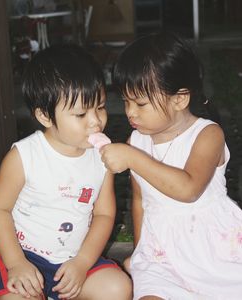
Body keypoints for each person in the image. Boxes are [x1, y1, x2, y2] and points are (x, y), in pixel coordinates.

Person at [100, 31, 242, 299]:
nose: (130, 112)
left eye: (140, 103)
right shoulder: (137, 141)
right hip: (161, 254)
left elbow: (188, 189)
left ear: (180, 99)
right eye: (126, 101)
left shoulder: (207, 135)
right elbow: (141, 200)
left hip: (212, 252)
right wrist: (141, 250)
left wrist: (132, 158)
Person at [0, 44, 132, 300]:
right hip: (24, 256)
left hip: (75, 260)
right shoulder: (24, 156)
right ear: (44, 116)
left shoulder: (103, 156)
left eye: (100, 106)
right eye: (80, 114)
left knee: (118, 288)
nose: (95, 121)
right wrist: (16, 263)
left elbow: (105, 213)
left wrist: (83, 262)